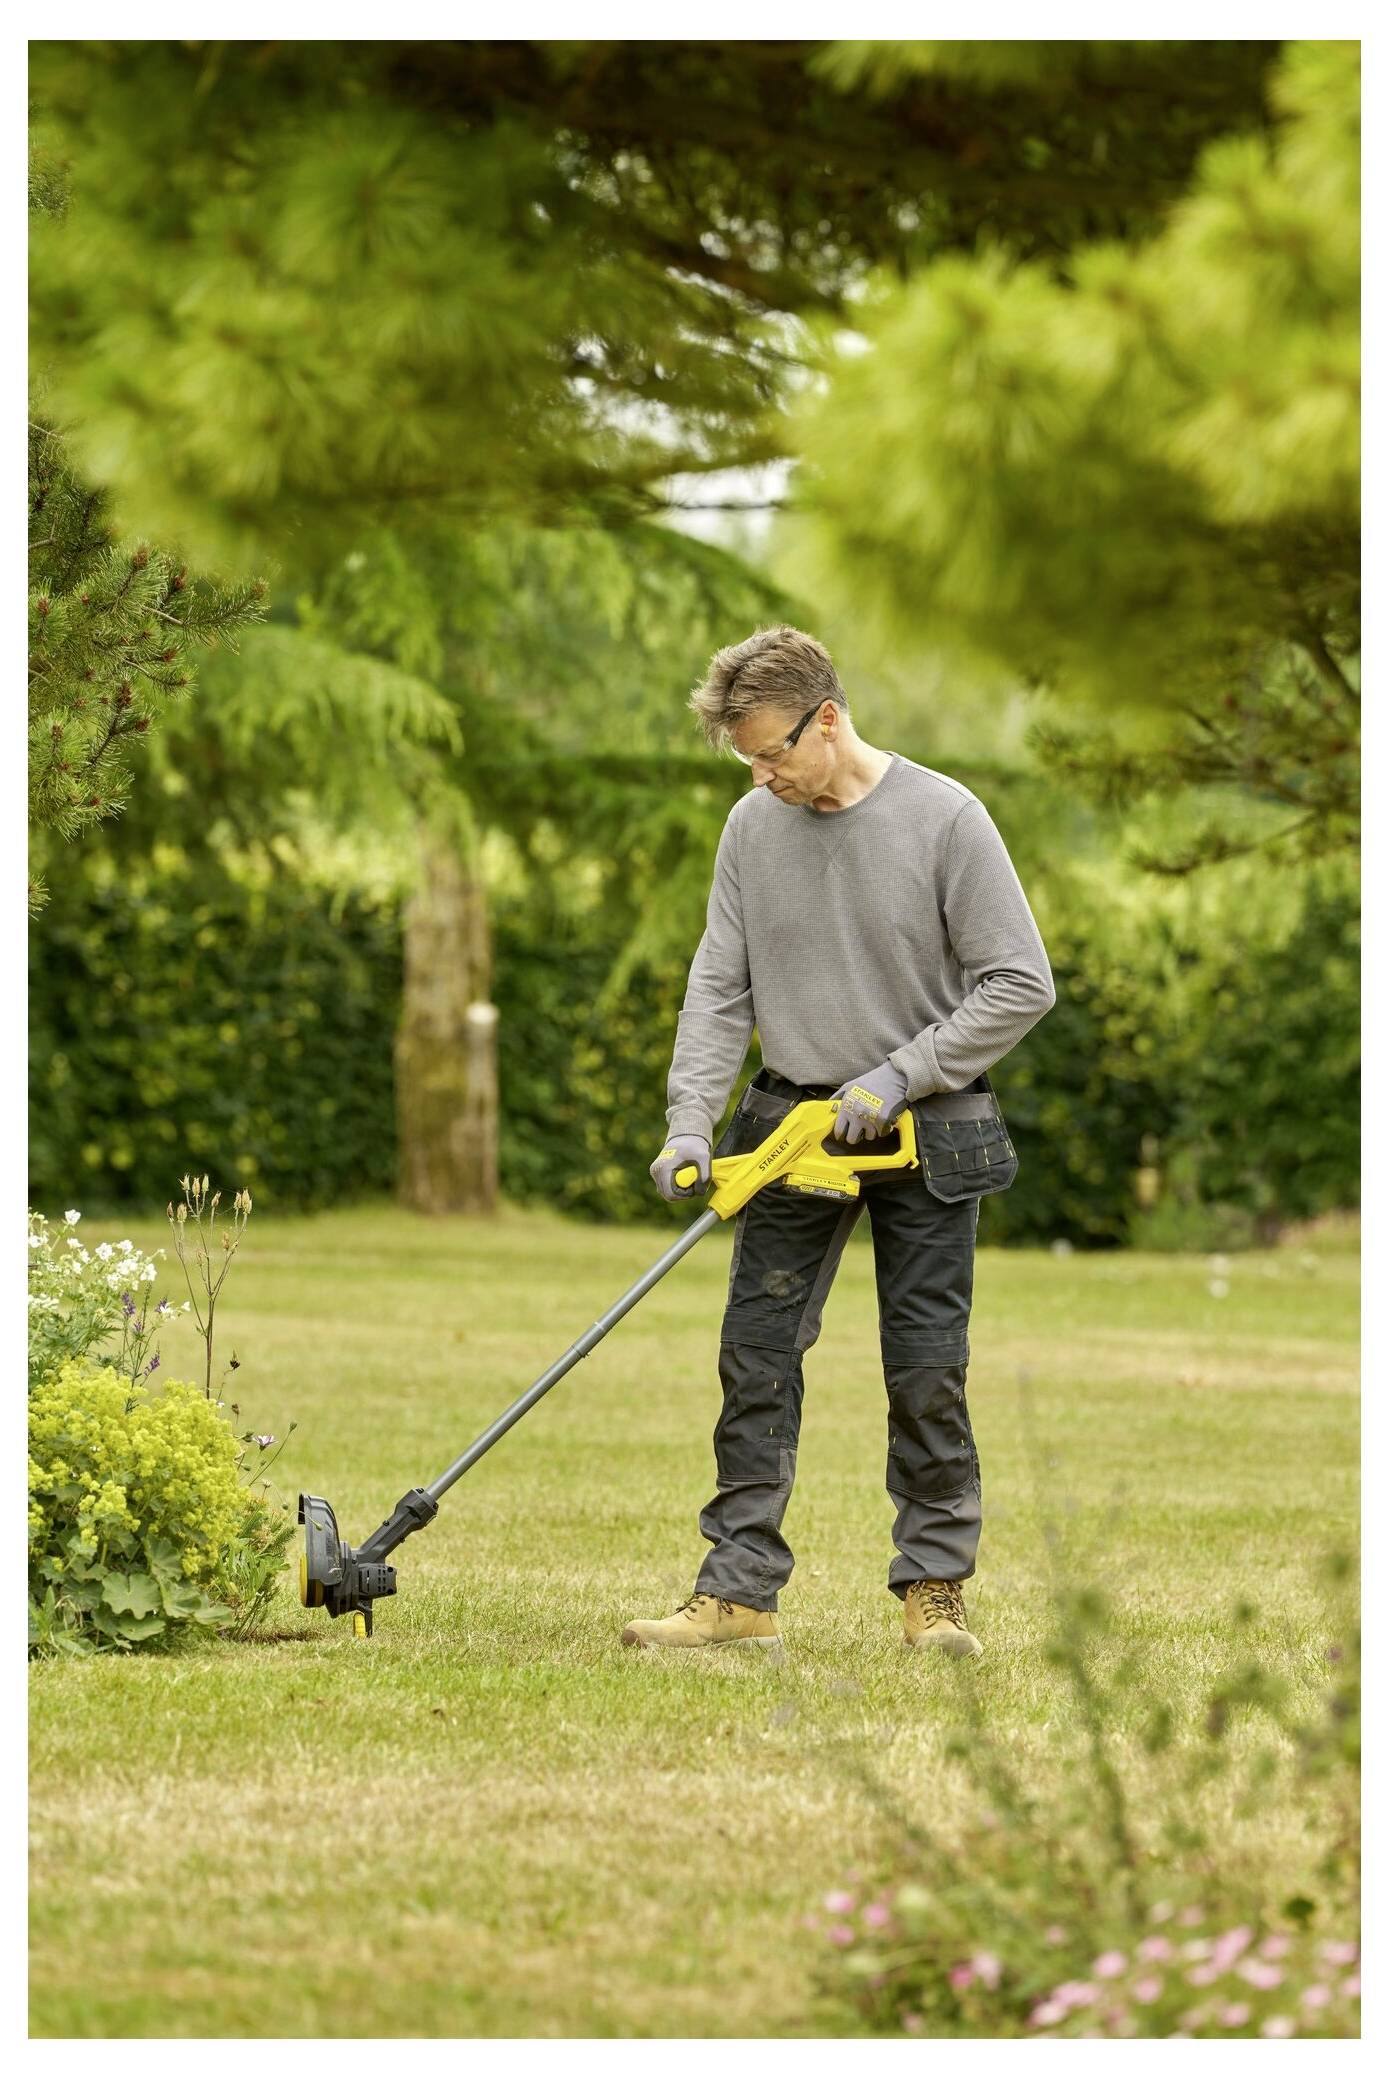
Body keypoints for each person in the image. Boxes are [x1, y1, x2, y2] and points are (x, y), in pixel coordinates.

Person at [621, 625, 1056, 1659]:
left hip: (927, 1132)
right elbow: (718, 988)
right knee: (756, 1357)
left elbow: (1018, 983)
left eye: (774, 752)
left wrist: (898, 1074)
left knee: (923, 1367)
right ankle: (736, 1593)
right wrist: (689, 1123)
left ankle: (933, 1591)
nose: (763, 776)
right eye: (746, 760)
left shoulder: (944, 818)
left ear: (827, 718)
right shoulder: (749, 829)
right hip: (791, 1131)